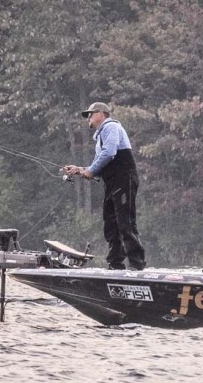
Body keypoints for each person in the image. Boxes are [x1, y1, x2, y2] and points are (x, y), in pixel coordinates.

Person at [62, 102, 146, 271]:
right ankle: (115, 264)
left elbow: (109, 153)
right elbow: (98, 167)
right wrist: (79, 170)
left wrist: (91, 171)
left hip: (124, 179)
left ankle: (137, 264)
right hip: (112, 183)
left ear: (101, 113)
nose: (88, 118)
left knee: (125, 221)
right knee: (111, 224)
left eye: (90, 114)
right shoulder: (100, 137)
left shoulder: (110, 126)